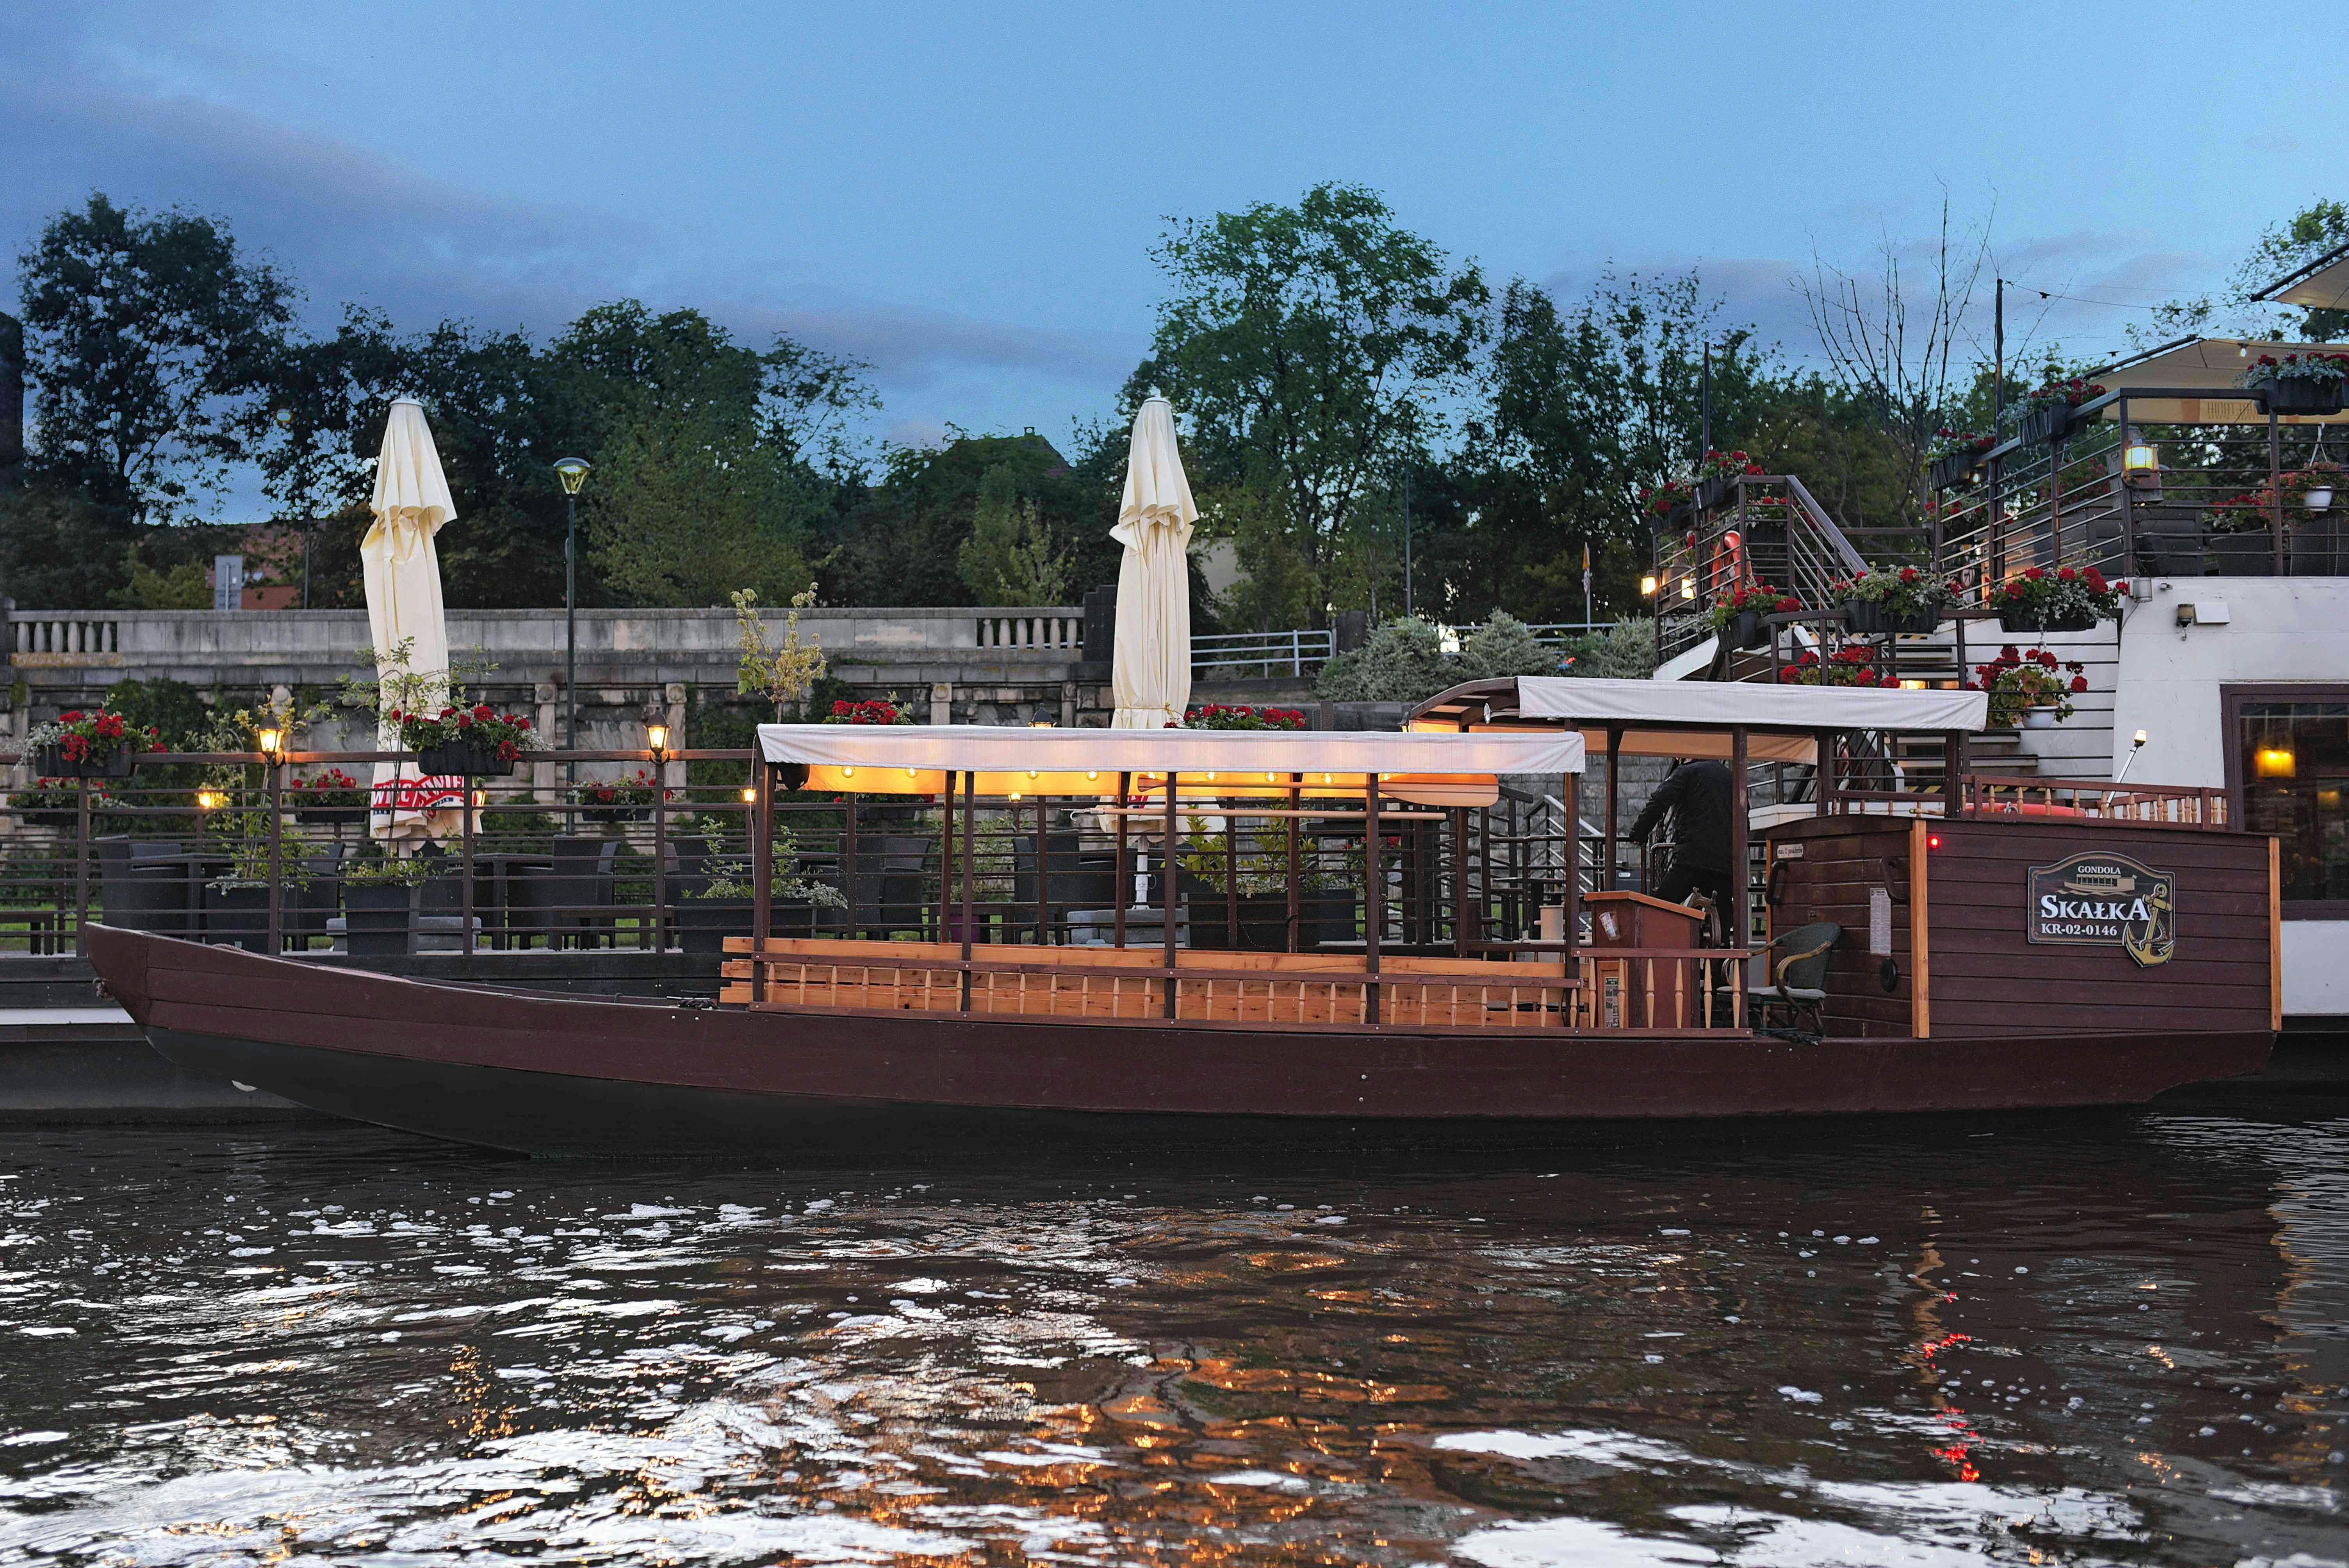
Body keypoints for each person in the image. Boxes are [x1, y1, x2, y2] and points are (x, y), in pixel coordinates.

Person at [1626, 758, 1735, 911]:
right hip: (1725, 862)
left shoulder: (1687, 772)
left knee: (1659, 908)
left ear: (1684, 757)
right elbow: (1745, 813)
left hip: (1692, 858)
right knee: (1722, 912)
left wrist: (1639, 832)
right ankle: (1722, 935)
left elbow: (1659, 800)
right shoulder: (1730, 777)